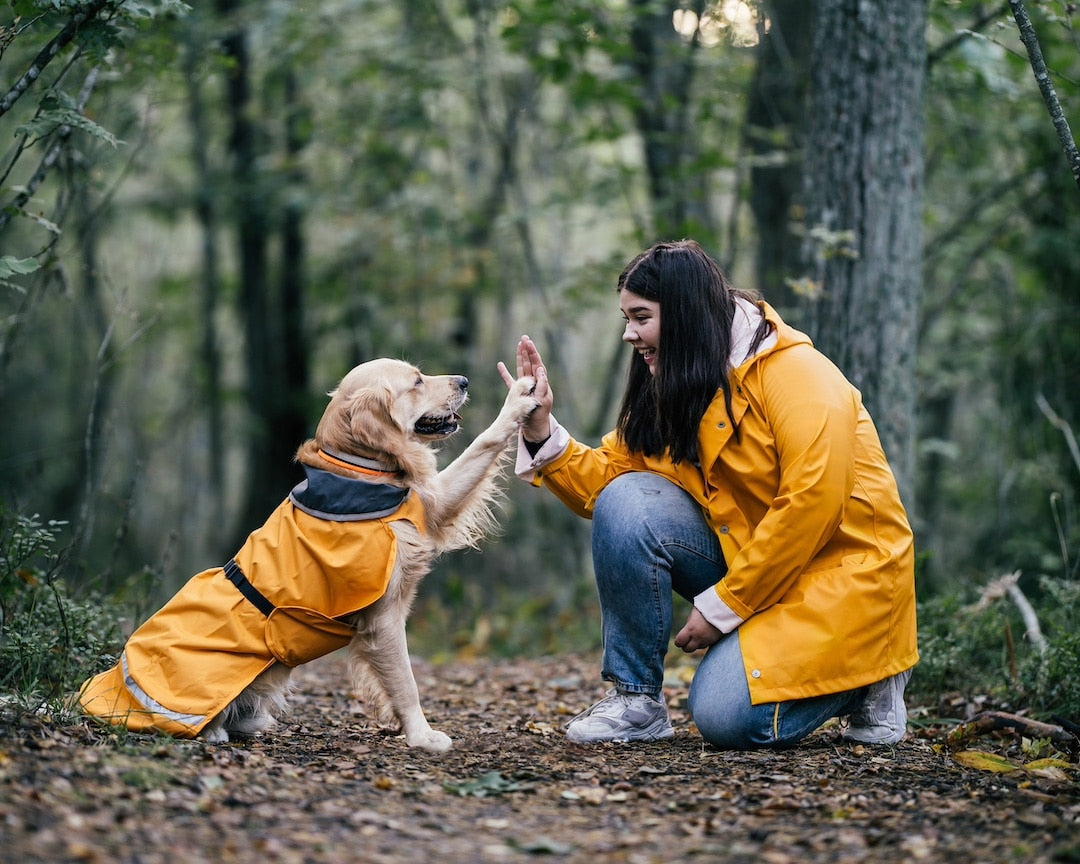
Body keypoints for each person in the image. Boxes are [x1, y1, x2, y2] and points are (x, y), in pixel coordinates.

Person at [497, 239, 917, 749]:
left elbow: (812, 507)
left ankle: (869, 679)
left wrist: (723, 606)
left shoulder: (800, 377)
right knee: (628, 501)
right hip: (756, 565)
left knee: (723, 718)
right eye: (626, 318)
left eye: (641, 317)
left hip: (843, 584)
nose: (629, 333)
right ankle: (636, 702)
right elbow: (611, 487)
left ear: (686, 315)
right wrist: (542, 429)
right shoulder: (678, 382)